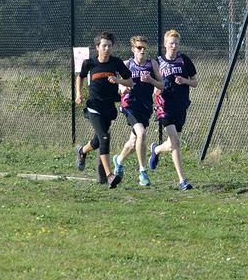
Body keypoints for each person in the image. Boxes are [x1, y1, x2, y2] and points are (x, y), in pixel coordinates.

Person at [74, 32, 134, 188]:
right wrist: (79, 93)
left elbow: (130, 82)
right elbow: (80, 77)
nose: (106, 49)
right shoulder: (89, 63)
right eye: (104, 46)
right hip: (93, 106)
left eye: (109, 46)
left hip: (109, 107)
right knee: (104, 137)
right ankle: (109, 176)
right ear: (97, 47)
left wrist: (118, 80)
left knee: (97, 141)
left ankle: (82, 151)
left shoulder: (116, 63)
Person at [110, 35, 163, 187]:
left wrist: (152, 81)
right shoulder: (127, 64)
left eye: (144, 48)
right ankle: (143, 172)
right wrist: (122, 88)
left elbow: (162, 85)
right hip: (129, 105)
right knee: (141, 133)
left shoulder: (152, 64)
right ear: (133, 49)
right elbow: (118, 83)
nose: (142, 51)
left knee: (134, 142)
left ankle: (118, 161)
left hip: (145, 107)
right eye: (139, 48)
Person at [148, 30, 198, 190]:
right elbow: (152, 83)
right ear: (165, 44)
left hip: (180, 104)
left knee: (171, 143)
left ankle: (155, 149)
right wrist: (155, 90)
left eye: (176, 43)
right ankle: (182, 180)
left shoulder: (184, 60)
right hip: (164, 105)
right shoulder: (157, 62)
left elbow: (195, 82)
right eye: (171, 43)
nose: (174, 46)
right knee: (175, 142)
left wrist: (184, 80)